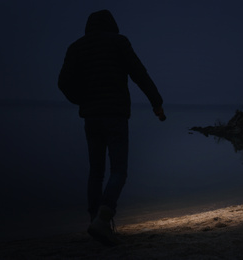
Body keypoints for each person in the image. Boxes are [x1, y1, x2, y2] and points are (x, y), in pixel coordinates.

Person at [58, 9, 165, 246]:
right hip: (115, 116)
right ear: (112, 25)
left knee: (96, 172)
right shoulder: (119, 42)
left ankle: (95, 221)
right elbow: (140, 74)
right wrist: (156, 104)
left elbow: (63, 83)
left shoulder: (76, 47)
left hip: (91, 118)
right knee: (119, 171)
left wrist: (82, 100)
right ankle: (103, 219)